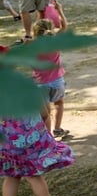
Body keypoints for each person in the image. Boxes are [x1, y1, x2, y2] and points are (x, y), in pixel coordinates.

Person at [1, 90, 75, 196]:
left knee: (11, 176)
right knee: (34, 176)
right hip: (30, 143)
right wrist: (47, 138)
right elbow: (44, 113)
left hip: (7, 146)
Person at [32, 8, 70, 139]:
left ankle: (47, 137)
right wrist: (59, 9)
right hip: (57, 80)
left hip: (40, 83)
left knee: (45, 113)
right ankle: (58, 129)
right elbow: (65, 26)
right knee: (59, 103)